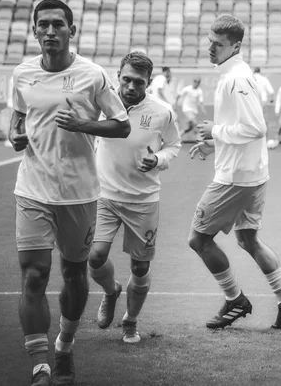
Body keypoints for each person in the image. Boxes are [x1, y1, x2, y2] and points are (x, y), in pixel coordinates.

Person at [8, 0, 131, 386]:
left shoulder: (92, 75)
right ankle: (41, 364)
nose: (49, 32)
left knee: (75, 274)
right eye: (42, 25)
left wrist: (83, 125)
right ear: (34, 31)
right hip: (32, 188)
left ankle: (64, 345)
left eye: (57, 25)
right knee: (33, 276)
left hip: (79, 193)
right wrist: (14, 133)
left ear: (71, 31)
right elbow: (17, 114)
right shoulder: (22, 74)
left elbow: (121, 125)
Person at [188, 14, 281, 330]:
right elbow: (243, 130)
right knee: (249, 240)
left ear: (235, 45)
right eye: (210, 42)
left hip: (235, 178)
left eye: (218, 44)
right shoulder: (235, 74)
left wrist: (215, 131)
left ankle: (235, 300)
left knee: (198, 240)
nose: (211, 49)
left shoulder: (236, 78)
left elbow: (255, 128)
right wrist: (216, 143)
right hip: (252, 173)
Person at [88, 51, 181, 344]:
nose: (131, 87)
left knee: (140, 267)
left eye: (138, 82)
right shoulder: (100, 104)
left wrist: (158, 160)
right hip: (104, 195)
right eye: (126, 79)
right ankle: (111, 291)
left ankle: (131, 320)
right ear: (117, 76)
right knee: (95, 256)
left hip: (143, 200)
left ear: (148, 82)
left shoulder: (162, 111)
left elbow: (174, 145)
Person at [176, 77, 206, 143]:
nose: (196, 83)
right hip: (186, 108)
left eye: (198, 82)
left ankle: (178, 136)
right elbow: (179, 95)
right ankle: (200, 139)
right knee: (195, 122)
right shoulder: (187, 89)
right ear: (193, 82)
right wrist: (175, 104)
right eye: (195, 82)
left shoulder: (199, 91)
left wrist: (203, 109)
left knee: (189, 127)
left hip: (194, 110)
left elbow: (201, 101)